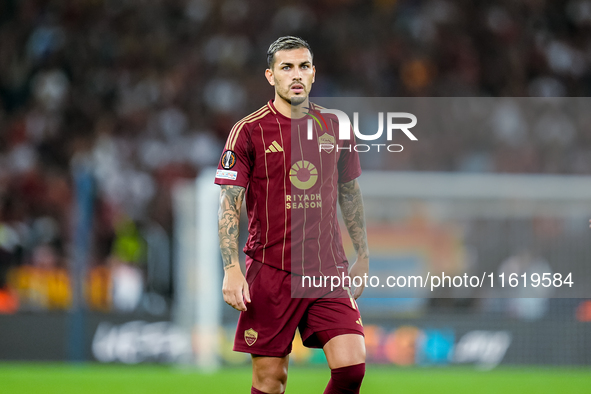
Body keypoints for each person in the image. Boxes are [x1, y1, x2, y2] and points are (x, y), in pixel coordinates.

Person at [215, 36, 369, 394]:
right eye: (287, 67)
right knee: (271, 382)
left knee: (352, 369)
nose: (296, 75)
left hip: (326, 269)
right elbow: (229, 204)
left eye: (303, 66)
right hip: (270, 270)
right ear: (271, 76)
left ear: (314, 73)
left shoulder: (337, 126)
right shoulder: (248, 131)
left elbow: (350, 193)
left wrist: (362, 255)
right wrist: (231, 268)